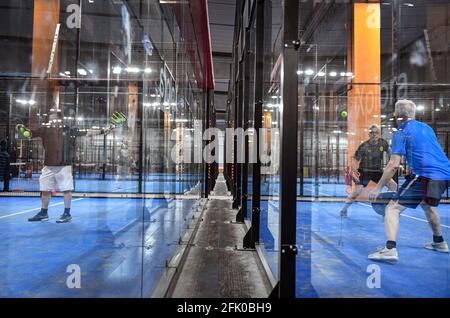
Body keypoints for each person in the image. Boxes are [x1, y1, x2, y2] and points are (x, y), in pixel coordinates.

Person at [368, 100, 450, 261]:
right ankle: (439, 242)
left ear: (397, 115)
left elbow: (393, 165)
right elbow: (428, 152)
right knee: (429, 206)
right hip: (445, 174)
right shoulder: (427, 128)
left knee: (392, 208)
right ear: (413, 113)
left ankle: (390, 249)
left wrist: (378, 188)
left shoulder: (402, 131)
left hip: (426, 175)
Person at [18, 108, 126, 223]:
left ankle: (67, 213)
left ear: (60, 118)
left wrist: (104, 130)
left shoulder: (68, 130)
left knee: (66, 190)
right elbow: (30, 134)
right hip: (48, 165)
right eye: (51, 116)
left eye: (55, 116)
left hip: (64, 165)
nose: (53, 118)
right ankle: (43, 213)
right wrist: (24, 130)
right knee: (45, 190)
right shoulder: (45, 129)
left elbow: (88, 132)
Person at [340, 124, 397, 218]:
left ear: (379, 134)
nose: (374, 134)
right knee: (356, 193)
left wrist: (394, 161)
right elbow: (355, 160)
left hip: (378, 171)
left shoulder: (383, 143)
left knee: (393, 185)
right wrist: (354, 172)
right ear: (369, 134)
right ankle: (344, 209)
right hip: (364, 172)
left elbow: (391, 154)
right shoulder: (363, 146)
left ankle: (386, 211)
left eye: (376, 132)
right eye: (372, 132)